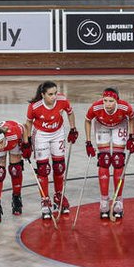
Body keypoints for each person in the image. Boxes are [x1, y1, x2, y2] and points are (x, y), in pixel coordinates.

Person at [24, 81, 78, 220]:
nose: (54, 97)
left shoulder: (62, 100)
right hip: (41, 134)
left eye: (55, 93)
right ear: (43, 95)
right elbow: (28, 123)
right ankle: (45, 199)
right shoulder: (34, 106)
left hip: (57, 132)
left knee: (59, 167)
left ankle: (58, 195)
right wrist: (27, 141)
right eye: (50, 94)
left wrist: (73, 128)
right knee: (43, 169)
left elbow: (70, 113)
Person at [83, 88, 134, 221]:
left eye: (111, 101)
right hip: (102, 126)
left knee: (118, 160)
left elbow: (132, 118)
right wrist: (88, 142)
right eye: (105, 100)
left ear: (117, 100)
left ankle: (118, 200)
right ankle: (104, 200)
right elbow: (88, 120)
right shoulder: (96, 107)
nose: (107, 104)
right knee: (104, 160)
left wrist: (131, 136)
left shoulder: (125, 107)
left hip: (120, 125)